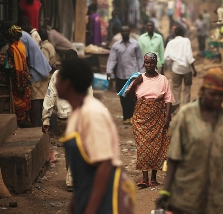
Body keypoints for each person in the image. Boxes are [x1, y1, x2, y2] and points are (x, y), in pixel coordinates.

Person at [56, 57, 135, 214]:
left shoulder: (92, 113)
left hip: (105, 197)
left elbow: (104, 164)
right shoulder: (76, 113)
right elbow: (83, 174)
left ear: (67, 83)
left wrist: (90, 209)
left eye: (58, 78)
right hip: (87, 193)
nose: (55, 82)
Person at [156, 68, 223, 213]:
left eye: (221, 95)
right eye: (213, 94)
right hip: (186, 195)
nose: (218, 99)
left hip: (216, 197)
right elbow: (174, 158)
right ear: (203, 91)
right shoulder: (185, 116)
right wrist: (165, 192)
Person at [42, 49, 93, 191]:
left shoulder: (57, 75)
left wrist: (45, 119)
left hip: (63, 118)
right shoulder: (82, 74)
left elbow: (50, 97)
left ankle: (72, 180)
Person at [125, 52, 174, 188]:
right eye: (146, 63)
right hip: (141, 115)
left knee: (157, 145)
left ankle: (153, 177)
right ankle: (144, 178)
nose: (149, 65)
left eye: (151, 63)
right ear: (144, 64)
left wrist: (168, 117)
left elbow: (168, 99)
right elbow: (128, 95)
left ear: (156, 63)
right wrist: (135, 84)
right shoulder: (139, 78)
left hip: (158, 114)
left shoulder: (163, 79)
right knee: (143, 146)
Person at [106, 25, 143, 125]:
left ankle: (132, 116)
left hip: (133, 75)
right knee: (123, 97)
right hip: (120, 75)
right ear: (121, 33)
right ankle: (126, 117)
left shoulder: (135, 44)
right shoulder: (116, 46)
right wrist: (109, 71)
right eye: (123, 31)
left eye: (127, 31)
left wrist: (142, 72)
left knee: (132, 97)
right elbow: (112, 59)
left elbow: (139, 58)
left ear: (129, 32)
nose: (125, 33)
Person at [20, 26, 52, 127]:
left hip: (37, 73)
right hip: (41, 71)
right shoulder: (27, 36)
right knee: (40, 100)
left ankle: (34, 126)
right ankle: (39, 124)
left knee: (36, 99)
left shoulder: (23, 37)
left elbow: (24, 56)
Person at [2, 25, 32, 127]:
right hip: (26, 77)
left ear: (12, 36)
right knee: (25, 99)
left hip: (17, 79)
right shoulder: (22, 46)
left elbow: (9, 66)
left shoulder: (11, 49)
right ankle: (26, 122)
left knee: (18, 99)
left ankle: (20, 122)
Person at [164, 27, 197, 105]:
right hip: (187, 69)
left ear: (174, 34)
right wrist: (194, 69)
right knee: (187, 88)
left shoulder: (170, 43)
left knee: (176, 88)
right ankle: (186, 108)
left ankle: (176, 109)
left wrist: (173, 61)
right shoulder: (186, 41)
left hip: (176, 68)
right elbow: (189, 57)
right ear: (183, 33)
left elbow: (166, 57)